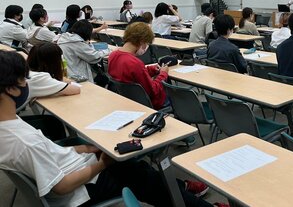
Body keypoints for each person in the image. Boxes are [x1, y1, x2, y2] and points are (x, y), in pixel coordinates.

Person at [0, 50, 222, 207]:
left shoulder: (9, 126)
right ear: (11, 89)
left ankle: (182, 189)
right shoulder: (24, 142)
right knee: (142, 175)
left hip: (72, 167)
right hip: (80, 191)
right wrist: (101, 164)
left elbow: (49, 152)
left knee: (139, 170)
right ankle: (194, 199)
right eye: (24, 80)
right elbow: (62, 186)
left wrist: (86, 150)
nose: (28, 84)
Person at [108, 22, 169, 110]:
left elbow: (131, 75)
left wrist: (151, 69)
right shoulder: (135, 63)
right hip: (148, 102)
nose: (146, 47)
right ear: (142, 41)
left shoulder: (113, 55)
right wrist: (163, 74)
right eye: (147, 43)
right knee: (175, 96)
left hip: (127, 99)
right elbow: (153, 91)